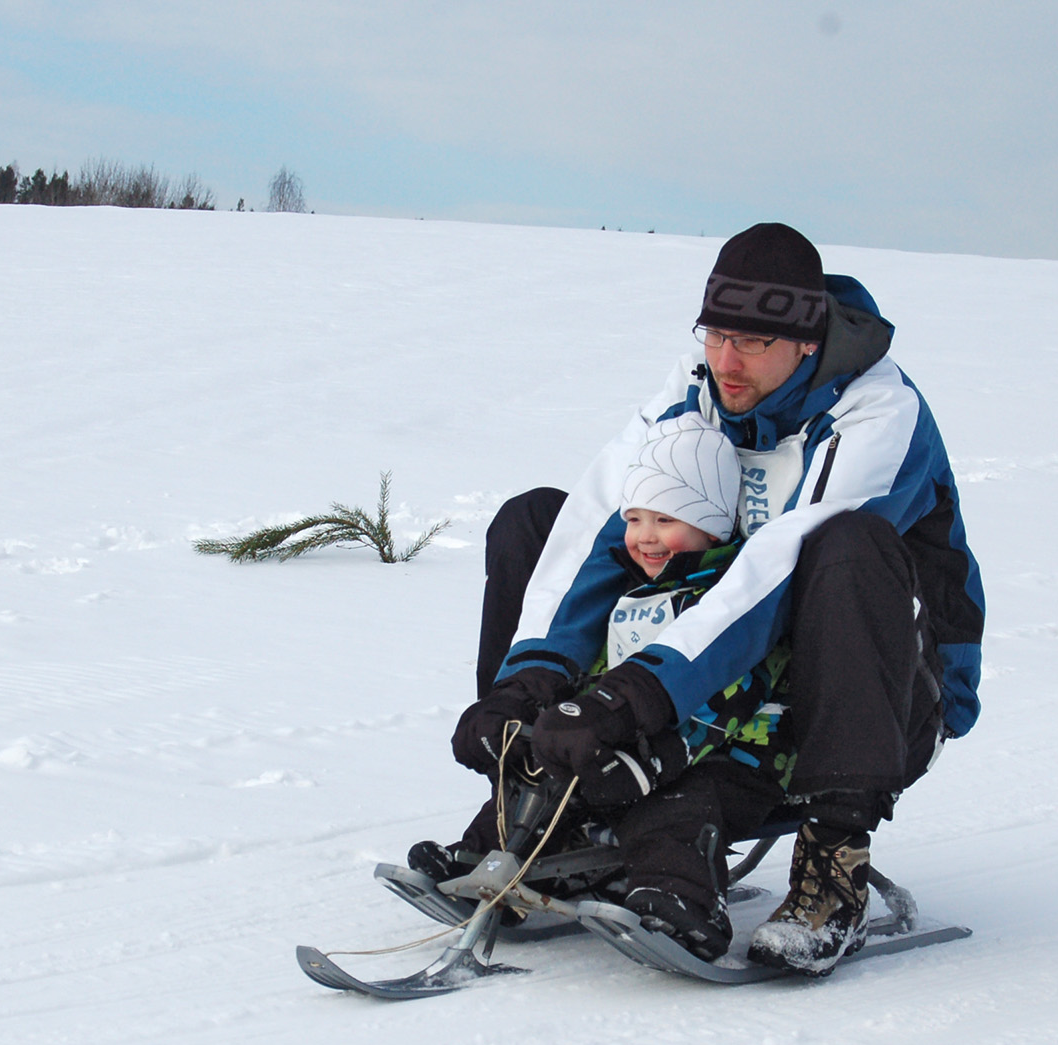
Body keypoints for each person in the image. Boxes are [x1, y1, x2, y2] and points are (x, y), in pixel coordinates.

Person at [450, 222, 985, 976]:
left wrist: (635, 695)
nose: (726, 362)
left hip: (887, 689)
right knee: (537, 520)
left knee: (846, 545)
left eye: (753, 344)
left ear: (806, 342)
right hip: (722, 669)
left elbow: (777, 567)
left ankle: (832, 867)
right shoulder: (701, 384)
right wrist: (529, 680)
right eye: (716, 334)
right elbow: (605, 516)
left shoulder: (877, 413)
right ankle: (550, 806)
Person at [417, 414, 800, 961]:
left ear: (713, 527)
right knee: (547, 774)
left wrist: (659, 756)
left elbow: (734, 694)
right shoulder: (625, 594)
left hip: (733, 756)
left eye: (667, 519)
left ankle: (680, 902)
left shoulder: (729, 597)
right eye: (635, 518)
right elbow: (596, 672)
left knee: (670, 810)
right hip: (639, 744)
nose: (646, 536)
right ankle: (486, 860)